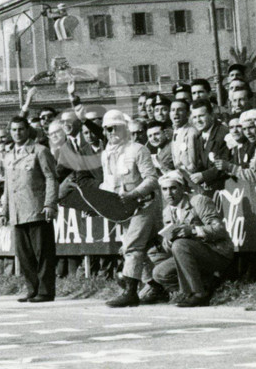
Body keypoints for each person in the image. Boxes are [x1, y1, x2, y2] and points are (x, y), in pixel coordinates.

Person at [99, 109, 160, 308]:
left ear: (124, 128)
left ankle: (130, 292)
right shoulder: (106, 154)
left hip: (144, 204)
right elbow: (107, 183)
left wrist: (134, 194)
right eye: (107, 129)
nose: (111, 132)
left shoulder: (137, 150)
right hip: (122, 209)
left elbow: (152, 179)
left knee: (133, 246)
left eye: (115, 128)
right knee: (129, 248)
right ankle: (155, 285)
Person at [146, 171, 233, 307]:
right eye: (165, 189)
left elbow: (219, 229)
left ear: (182, 188)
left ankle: (199, 294)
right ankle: (197, 287)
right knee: (159, 273)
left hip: (216, 253)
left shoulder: (199, 201)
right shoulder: (167, 211)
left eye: (173, 188)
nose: (169, 193)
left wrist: (192, 230)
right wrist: (168, 240)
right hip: (190, 256)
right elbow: (171, 245)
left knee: (180, 245)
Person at [0, 115, 58, 303]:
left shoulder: (40, 151)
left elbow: (51, 178)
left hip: (36, 208)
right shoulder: (8, 157)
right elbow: (8, 186)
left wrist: (50, 204)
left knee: (43, 253)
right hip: (17, 211)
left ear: (28, 130)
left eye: (21, 129)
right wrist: (4, 210)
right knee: (24, 255)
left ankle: (46, 291)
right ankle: (32, 289)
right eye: (14, 130)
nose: (18, 133)